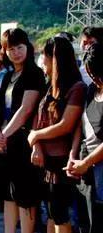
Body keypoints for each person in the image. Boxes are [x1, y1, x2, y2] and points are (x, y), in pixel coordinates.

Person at [0, 28, 46, 233]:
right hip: (5, 143)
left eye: (19, 47)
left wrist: (3, 135)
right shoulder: (7, 76)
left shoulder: (34, 74)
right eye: (10, 49)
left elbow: (26, 109)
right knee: (8, 196)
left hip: (24, 142)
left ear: (28, 47)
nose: (16, 52)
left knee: (25, 198)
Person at [28, 36, 86, 233]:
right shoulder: (48, 86)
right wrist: (36, 143)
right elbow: (37, 118)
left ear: (54, 58)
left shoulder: (76, 87)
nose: (41, 61)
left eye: (44, 56)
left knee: (60, 213)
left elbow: (66, 125)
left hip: (61, 158)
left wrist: (36, 136)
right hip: (44, 158)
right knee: (51, 212)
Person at [68, 42, 103, 233]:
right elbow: (80, 127)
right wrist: (73, 156)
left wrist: (87, 162)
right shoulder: (91, 91)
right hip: (86, 168)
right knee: (85, 222)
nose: (93, 78)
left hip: (96, 166)